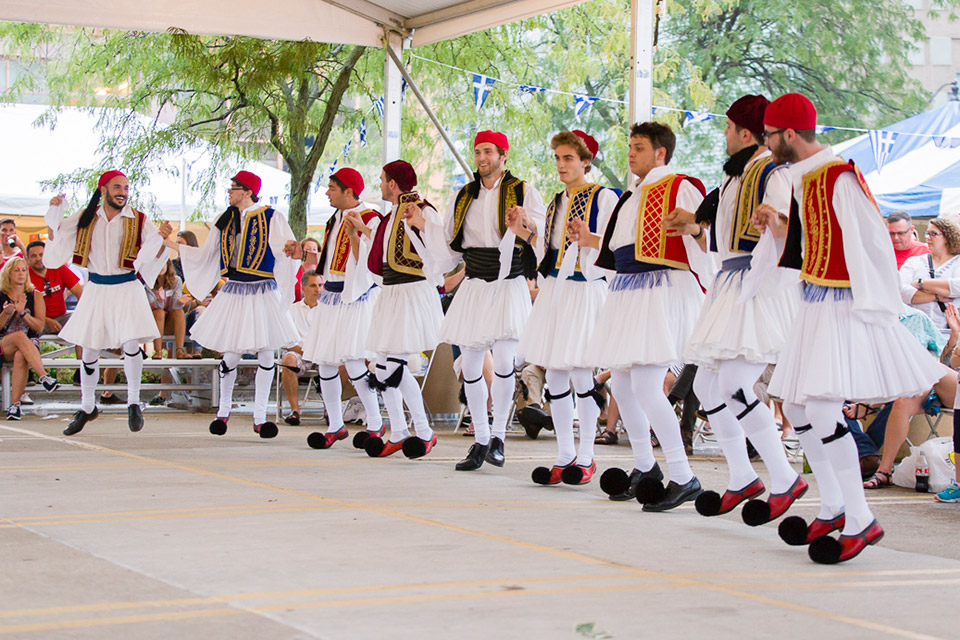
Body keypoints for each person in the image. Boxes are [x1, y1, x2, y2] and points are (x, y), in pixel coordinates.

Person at [754, 93, 943, 564]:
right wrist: (778, 225)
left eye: (771, 135)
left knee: (819, 406)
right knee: (798, 404)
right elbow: (806, 244)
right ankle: (836, 506)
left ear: (789, 134)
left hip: (843, 304)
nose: (768, 142)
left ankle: (860, 520)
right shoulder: (806, 179)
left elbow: (874, 242)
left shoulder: (839, 176)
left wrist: (874, 307)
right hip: (816, 300)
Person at [664, 95, 806, 525]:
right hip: (728, 282)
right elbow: (715, 235)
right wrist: (690, 225)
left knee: (737, 385)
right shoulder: (732, 179)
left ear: (746, 133)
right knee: (708, 389)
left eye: (727, 127)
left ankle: (784, 477)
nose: (723, 133)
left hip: (756, 283)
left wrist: (775, 223)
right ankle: (744, 476)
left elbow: (787, 229)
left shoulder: (772, 172)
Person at [573, 122, 710, 511]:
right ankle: (646, 466)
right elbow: (620, 247)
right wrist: (590, 242)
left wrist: (697, 230)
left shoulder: (680, 185)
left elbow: (702, 238)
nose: (631, 154)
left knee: (648, 385)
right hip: (629, 289)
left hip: (660, 289)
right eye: (630, 147)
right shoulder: (630, 195)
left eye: (639, 147)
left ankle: (683, 476)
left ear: (660, 153)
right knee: (622, 382)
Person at [419, 130, 547, 471]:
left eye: (488, 151)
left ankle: (499, 437)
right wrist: (421, 226)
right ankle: (480, 439)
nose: (481, 158)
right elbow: (447, 243)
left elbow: (541, 237)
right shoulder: (464, 195)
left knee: (505, 362)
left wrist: (525, 222)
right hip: (475, 283)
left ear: (503, 155)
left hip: (509, 283)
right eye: (477, 152)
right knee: (471, 365)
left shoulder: (522, 191)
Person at [517, 130, 617, 486]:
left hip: (585, 290)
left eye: (568, 158)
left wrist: (588, 238)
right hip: (556, 291)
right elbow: (549, 255)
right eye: (558, 158)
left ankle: (587, 455)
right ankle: (564, 453)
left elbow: (614, 247)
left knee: (580, 374)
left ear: (586, 160)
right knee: (556, 375)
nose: (561, 165)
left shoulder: (604, 197)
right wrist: (526, 234)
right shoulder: (555, 202)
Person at [44, 172, 172, 434]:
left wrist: (162, 238)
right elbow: (58, 239)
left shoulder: (139, 219)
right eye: (117, 187)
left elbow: (155, 253)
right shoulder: (86, 216)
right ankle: (88, 405)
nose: (122, 192)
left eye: (126, 187)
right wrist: (54, 213)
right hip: (97, 287)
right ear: (103, 189)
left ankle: (134, 402)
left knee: (131, 342)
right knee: (90, 347)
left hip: (127, 286)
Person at [179, 170, 300, 438]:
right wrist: (176, 247)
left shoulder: (271, 216)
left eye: (234, 188)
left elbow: (285, 250)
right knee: (231, 353)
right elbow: (207, 254)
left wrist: (292, 251)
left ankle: (260, 416)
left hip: (261, 290)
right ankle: (223, 413)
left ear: (247, 191)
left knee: (267, 353)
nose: (229, 192)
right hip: (234, 290)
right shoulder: (226, 220)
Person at [289, 167, 385, 450]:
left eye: (332, 188)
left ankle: (376, 423)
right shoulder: (335, 218)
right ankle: (334, 425)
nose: (327, 192)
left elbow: (371, 260)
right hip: (331, 295)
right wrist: (303, 254)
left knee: (354, 361)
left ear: (349, 191)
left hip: (355, 298)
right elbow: (330, 257)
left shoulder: (371, 218)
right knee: (326, 363)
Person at [358, 160, 443, 458]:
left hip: (411, 291)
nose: (380, 184)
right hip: (392, 292)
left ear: (393, 183)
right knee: (381, 365)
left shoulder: (421, 209)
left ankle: (423, 431)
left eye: (382, 180)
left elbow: (438, 246)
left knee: (393, 365)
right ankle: (399, 431)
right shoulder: (392, 213)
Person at [0, 257, 60, 419]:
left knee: (21, 355)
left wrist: (23, 313)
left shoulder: (36, 295)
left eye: (23, 270)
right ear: (8, 273)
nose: (21, 274)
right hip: (4, 343)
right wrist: (6, 313)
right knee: (19, 336)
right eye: (16, 270)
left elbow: (39, 327)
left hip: (29, 344)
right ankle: (44, 376)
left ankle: (15, 406)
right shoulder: (1, 295)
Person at [900, 215, 960, 335]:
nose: (928, 238)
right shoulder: (914, 262)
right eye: (927, 233)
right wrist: (937, 297)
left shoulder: (957, 263)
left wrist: (921, 283)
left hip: (951, 333)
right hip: (917, 332)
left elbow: (957, 286)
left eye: (934, 234)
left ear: (947, 237)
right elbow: (901, 291)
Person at [25, 240, 83, 354]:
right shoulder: (25, 276)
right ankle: (31, 370)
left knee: (82, 327)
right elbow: (24, 307)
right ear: (27, 259)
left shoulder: (58, 267)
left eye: (41, 254)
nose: (39, 258)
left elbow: (79, 292)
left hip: (62, 317)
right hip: (38, 320)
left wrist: (80, 314)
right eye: (34, 256)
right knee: (25, 335)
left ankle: (81, 369)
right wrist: (46, 321)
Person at [280, 269, 321, 425]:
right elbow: (286, 341)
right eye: (313, 286)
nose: (318, 290)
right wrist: (304, 351)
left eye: (320, 285)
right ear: (303, 288)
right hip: (299, 353)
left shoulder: (328, 309)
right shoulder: (291, 310)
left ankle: (332, 409)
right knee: (289, 359)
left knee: (341, 363)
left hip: (321, 354)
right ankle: (295, 411)